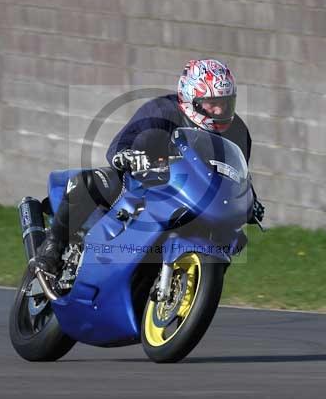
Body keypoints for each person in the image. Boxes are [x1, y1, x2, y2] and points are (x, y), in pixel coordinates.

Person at [29, 58, 264, 276]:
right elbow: (125, 142)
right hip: (149, 183)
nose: (220, 111)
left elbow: (236, 173)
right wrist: (130, 156)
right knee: (91, 182)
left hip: (197, 197)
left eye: (225, 102)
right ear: (191, 99)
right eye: (212, 103)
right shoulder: (162, 111)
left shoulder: (238, 132)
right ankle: (52, 248)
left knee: (234, 239)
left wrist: (247, 199)